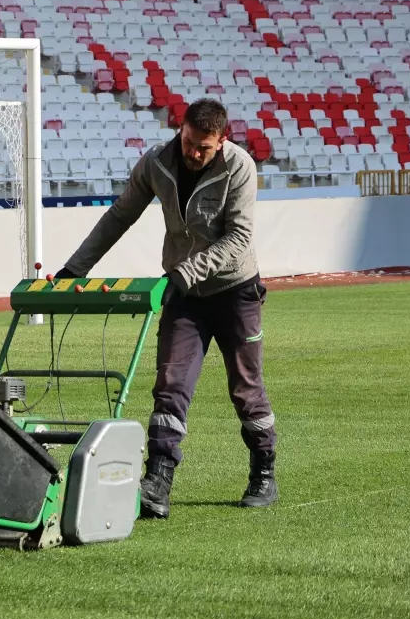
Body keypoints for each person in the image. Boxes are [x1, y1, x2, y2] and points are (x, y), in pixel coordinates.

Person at [52, 98, 278, 517]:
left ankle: (263, 471)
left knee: (246, 390)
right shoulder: (156, 163)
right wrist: (73, 269)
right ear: (182, 130)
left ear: (221, 141)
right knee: (170, 386)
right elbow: (120, 216)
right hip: (184, 297)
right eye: (190, 142)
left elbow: (239, 239)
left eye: (203, 148)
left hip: (235, 291)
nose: (194, 153)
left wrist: (183, 273)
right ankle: (157, 481)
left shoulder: (240, 167)